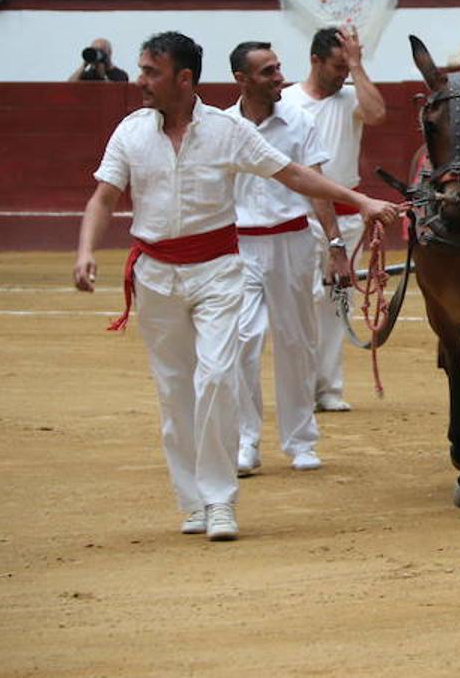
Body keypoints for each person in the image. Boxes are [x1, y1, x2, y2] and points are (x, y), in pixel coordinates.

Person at [73, 31, 398, 541]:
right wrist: (86, 250)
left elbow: (294, 175)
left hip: (220, 269)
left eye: (150, 72)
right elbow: (103, 198)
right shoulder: (131, 132)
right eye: (141, 70)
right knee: (174, 392)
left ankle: (221, 499)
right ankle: (194, 502)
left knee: (218, 377)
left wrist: (361, 203)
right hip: (156, 275)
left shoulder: (225, 130)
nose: (141, 81)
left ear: (183, 78)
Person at [227, 41, 335, 476]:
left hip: (292, 241)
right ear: (242, 80)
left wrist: (337, 244)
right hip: (239, 245)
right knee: (241, 343)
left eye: (278, 68)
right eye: (268, 72)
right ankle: (244, 440)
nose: (279, 78)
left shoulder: (299, 120)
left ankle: (300, 440)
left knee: (296, 343)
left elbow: (316, 186)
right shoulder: (222, 126)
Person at [281, 28, 389, 413]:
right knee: (302, 302)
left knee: (335, 301)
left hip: (345, 216)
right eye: (338, 66)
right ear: (315, 60)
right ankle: (301, 386)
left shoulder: (350, 98)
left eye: (349, 66)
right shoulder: (288, 101)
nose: (344, 74)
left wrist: (358, 65)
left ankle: (327, 387)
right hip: (297, 213)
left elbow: (377, 113)